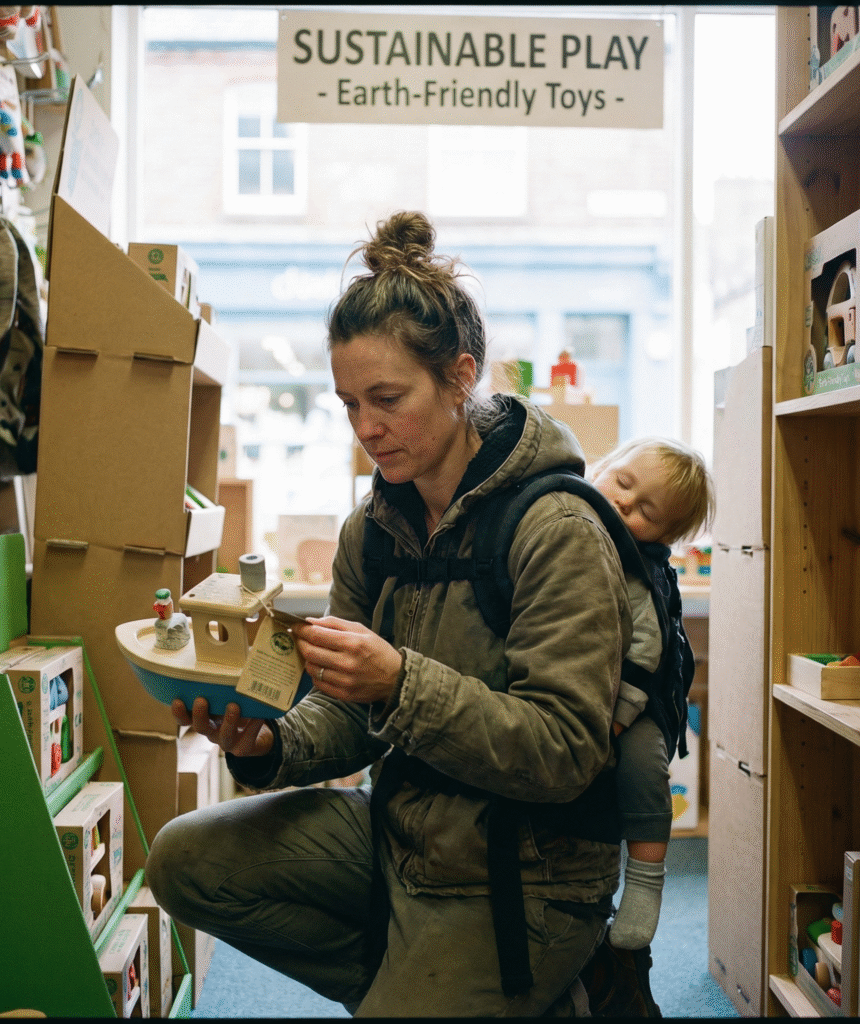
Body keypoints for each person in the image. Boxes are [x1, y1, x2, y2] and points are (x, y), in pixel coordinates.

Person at [145, 210, 637, 1017]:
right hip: (401, 835)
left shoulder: (557, 529)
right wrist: (271, 743)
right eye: (348, 404)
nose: (366, 429)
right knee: (181, 861)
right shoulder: (372, 532)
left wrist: (400, 683)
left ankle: (526, 988)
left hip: (529, 874)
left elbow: (564, 751)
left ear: (460, 377)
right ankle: (419, 985)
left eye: (387, 399)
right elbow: (346, 713)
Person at [588, 436, 715, 952]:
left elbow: (645, 655)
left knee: (644, 764)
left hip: (633, 698)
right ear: (602, 465)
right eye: (622, 482)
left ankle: (645, 880)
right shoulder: (562, 516)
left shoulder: (639, 569)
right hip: (568, 681)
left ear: (664, 537)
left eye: (647, 512)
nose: (624, 504)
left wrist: (619, 719)